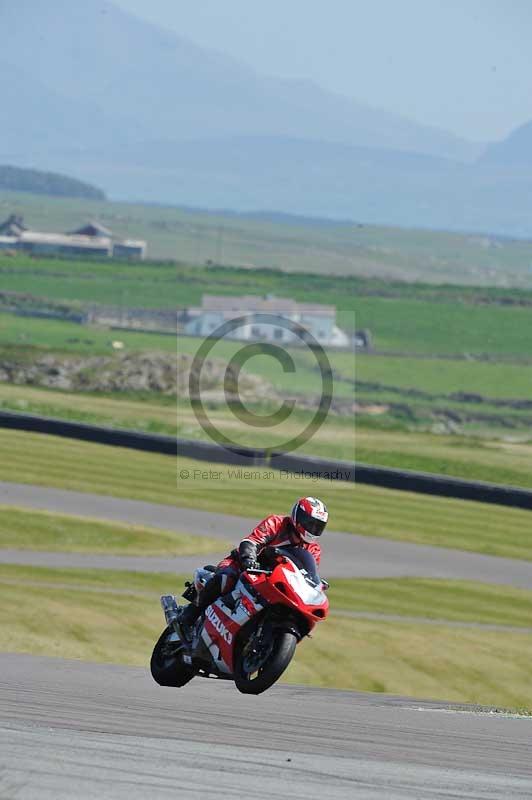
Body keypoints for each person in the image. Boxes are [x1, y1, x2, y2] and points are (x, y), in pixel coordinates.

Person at [177, 496, 329, 639]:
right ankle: (188, 618)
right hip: (243, 565)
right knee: (225, 579)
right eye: (310, 523)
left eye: (318, 526)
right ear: (298, 518)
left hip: (274, 582)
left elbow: (308, 574)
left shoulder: (314, 549)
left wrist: (316, 586)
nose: (313, 529)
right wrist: (249, 559)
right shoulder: (276, 523)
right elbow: (251, 542)